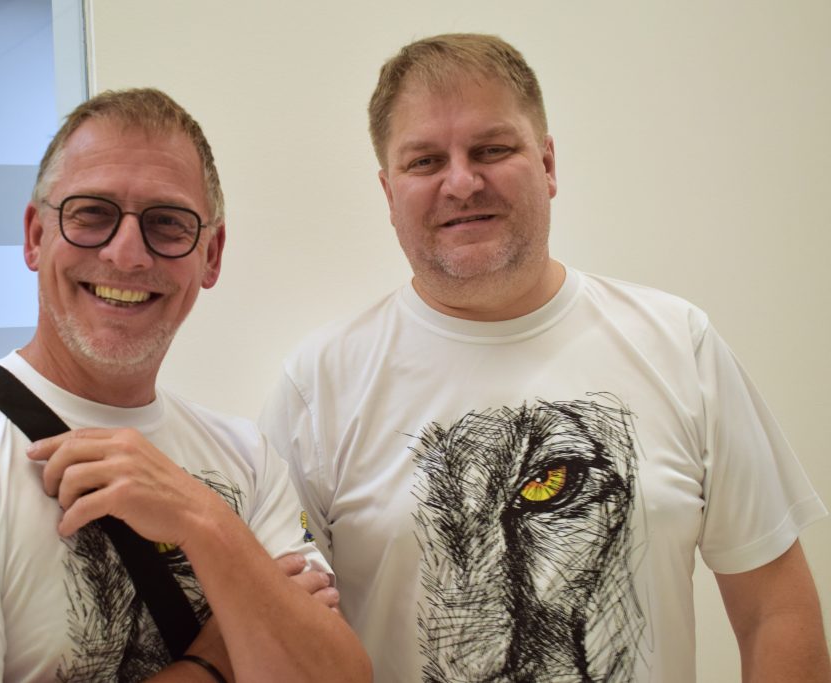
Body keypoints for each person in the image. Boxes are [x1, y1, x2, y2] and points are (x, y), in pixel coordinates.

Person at [259, 33, 830, 682]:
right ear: (389, 193)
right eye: (425, 161)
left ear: (548, 163)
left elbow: (775, 610)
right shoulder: (319, 384)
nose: (461, 182)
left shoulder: (678, 343)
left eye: (491, 149)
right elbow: (274, 640)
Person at [0, 88, 372, 683]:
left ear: (211, 255)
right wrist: (212, 662)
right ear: (35, 236)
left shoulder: (248, 459)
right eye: (91, 213)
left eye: (167, 223)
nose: (127, 255)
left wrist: (204, 521)